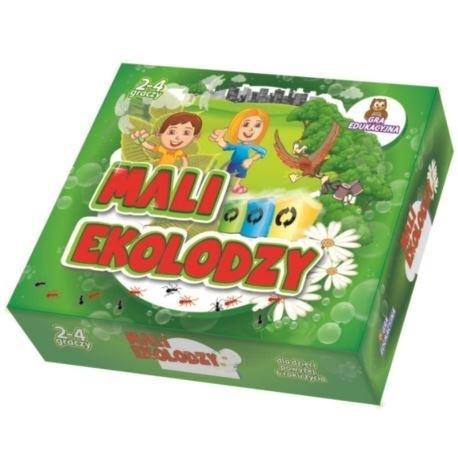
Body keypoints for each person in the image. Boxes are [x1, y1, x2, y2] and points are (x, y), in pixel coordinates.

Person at [209, 108, 269, 193]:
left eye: (257, 125)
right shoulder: (237, 144)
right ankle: (225, 186)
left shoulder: (251, 145)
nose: (251, 129)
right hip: (233, 163)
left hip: (243, 164)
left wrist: (251, 159)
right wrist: (219, 139)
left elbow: (262, 152)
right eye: (246, 124)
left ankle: (236, 186)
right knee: (229, 173)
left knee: (240, 175)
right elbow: (226, 146)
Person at [131, 112, 202, 168]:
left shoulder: (179, 152)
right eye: (172, 132)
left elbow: (184, 161)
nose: (177, 137)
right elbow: (149, 147)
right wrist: (140, 140)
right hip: (159, 169)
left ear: (195, 137)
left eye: (186, 133)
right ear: (159, 133)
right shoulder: (163, 149)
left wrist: (183, 169)